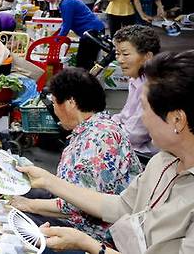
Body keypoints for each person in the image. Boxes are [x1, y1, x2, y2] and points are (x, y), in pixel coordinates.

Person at [17, 50, 194, 254]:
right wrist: (48, 180)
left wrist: (88, 244)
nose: (142, 119)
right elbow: (121, 206)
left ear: (177, 120)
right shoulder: (165, 160)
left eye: (145, 109)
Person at [11, 68, 142, 245]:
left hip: (96, 236)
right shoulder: (95, 127)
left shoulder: (98, 141)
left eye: (55, 102)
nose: (54, 109)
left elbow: (80, 204)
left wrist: (29, 205)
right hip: (81, 215)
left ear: (70, 102)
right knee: (24, 189)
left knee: (14, 224)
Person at [111, 25, 160, 162]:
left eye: (125, 54)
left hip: (142, 154)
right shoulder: (136, 79)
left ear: (147, 56)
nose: (120, 60)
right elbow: (124, 115)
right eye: (117, 54)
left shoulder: (151, 86)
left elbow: (134, 135)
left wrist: (109, 130)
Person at [34, 0, 105, 71]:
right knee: (83, 63)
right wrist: (55, 36)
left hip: (92, 32)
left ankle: (85, 83)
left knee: (84, 64)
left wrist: (56, 41)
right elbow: (65, 24)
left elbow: (66, 26)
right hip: (90, 32)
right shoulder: (66, 1)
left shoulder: (66, 3)